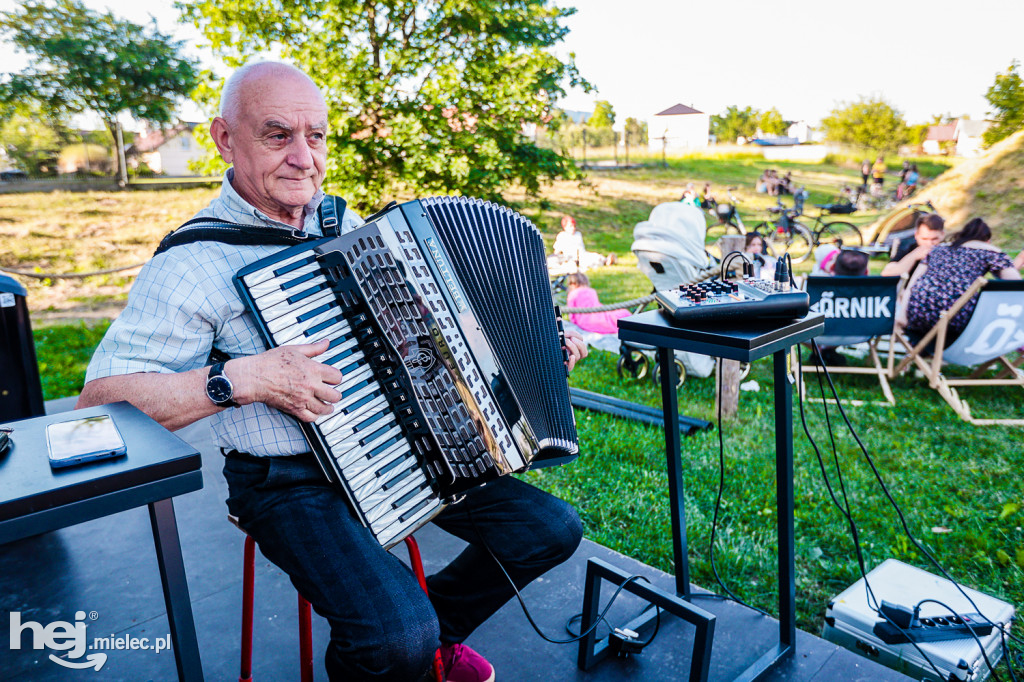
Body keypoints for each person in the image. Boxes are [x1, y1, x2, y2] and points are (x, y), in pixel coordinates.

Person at [76, 61, 589, 682]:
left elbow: (430, 339)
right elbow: (99, 406)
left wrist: (519, 357)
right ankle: (408, 650)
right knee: (394, 632)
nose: (302, 157)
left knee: (549, 529)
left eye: (314, 136)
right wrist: (242, 379)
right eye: (276, 135)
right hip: (287, 481)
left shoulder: (343, 226)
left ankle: (436, 643)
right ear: (223, 138)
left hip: (395, 448)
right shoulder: (193, 263)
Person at [903, 218, 1021, 343]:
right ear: (987, 241)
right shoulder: (990, 252)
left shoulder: (937, 249)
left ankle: (925, 351)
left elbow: (913, 283)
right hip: (957, 320)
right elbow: (1016, 284)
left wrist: (903, 315)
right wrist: (999, 254)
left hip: (917, 315)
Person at [881, 213, 945, 279]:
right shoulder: (907, 246)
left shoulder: (949, 251)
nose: (929, 243)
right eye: (924, 239)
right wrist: (913, 256)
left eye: (935, 239)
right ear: (916, 235)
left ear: (942, 234)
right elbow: (887, 273)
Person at [566, 273, 630, 334]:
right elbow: (597, 305)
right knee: (622, 313)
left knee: (611, 319)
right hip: (595, 315)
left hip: (585, 321)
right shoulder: (591, 291)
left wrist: (575, 323)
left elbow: (572, 314)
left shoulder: (572, 294)